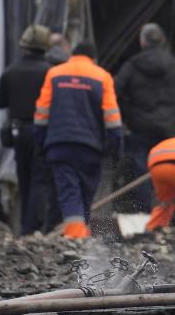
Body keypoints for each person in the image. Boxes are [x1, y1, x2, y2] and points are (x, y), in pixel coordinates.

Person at [33, 40, 123, 238]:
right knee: (84, 194)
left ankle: (74, 235)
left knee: (68, 192)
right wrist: (117, 149)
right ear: (94, 58)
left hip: (60, 145)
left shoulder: (54, 74)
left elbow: (41, 114)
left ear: (72, 54)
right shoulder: (102, 77)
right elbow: (112, 119)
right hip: (90, 148)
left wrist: (40, 144)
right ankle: (78, 237)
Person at [0, 24, 61, 235]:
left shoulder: (11, 71)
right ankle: (32, 227)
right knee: (41, 178)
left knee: (25, 178)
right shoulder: (51, 72)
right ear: (46, 46)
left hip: (18, 132)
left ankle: (25, 227)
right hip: (44, 131)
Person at [114, 23, 175, 212]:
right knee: (170, 167)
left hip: (141, 126)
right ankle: (171, 212)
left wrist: (126, 114)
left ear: (142, 42)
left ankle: (145, 211)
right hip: (168, 127)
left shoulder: (132, 65)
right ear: (163, 41)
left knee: (143, 170)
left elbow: (114, 91)